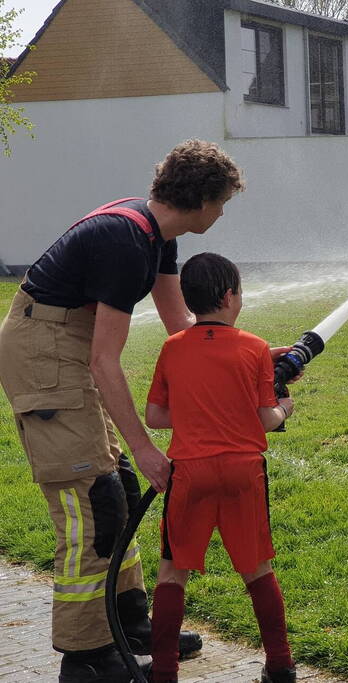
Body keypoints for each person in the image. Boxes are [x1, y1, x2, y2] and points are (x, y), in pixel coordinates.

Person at [0, 140, 243, 682]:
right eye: (223, 201)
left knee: (117, 488)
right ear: (201, 198)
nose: (224, 212)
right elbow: (104, 360)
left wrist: (244, 354)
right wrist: (144, 443)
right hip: (45, 353)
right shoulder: (126, 241)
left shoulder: (156, 237)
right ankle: (85, 657)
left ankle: (128, 624)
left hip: (63, 347)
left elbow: (183, 327)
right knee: (91, 504)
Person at [144, 253, 297, 683]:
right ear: (230, 296)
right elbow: (266, 418)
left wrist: (196, 414)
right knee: (258, 568)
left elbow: (155, 416)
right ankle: (281, 665)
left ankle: (163, 671)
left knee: (173, 571)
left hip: (190, 473)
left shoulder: (173, 348)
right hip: (243, 472)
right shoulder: (253, 348)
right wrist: (286, 408)